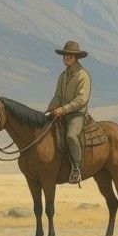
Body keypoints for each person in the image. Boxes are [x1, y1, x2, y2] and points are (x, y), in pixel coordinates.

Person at [48, 41, 91, 184]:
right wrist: (50, 109)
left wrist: (64, 109)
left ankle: (76, 168)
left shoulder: (83, 75)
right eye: (65, 56)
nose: (66, 58)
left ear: (76, 58)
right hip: (61, 113)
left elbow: (82, 99)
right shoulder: (63, 76)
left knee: (71, 136)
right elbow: (58, 96)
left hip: (77, 114)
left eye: (69, 56)